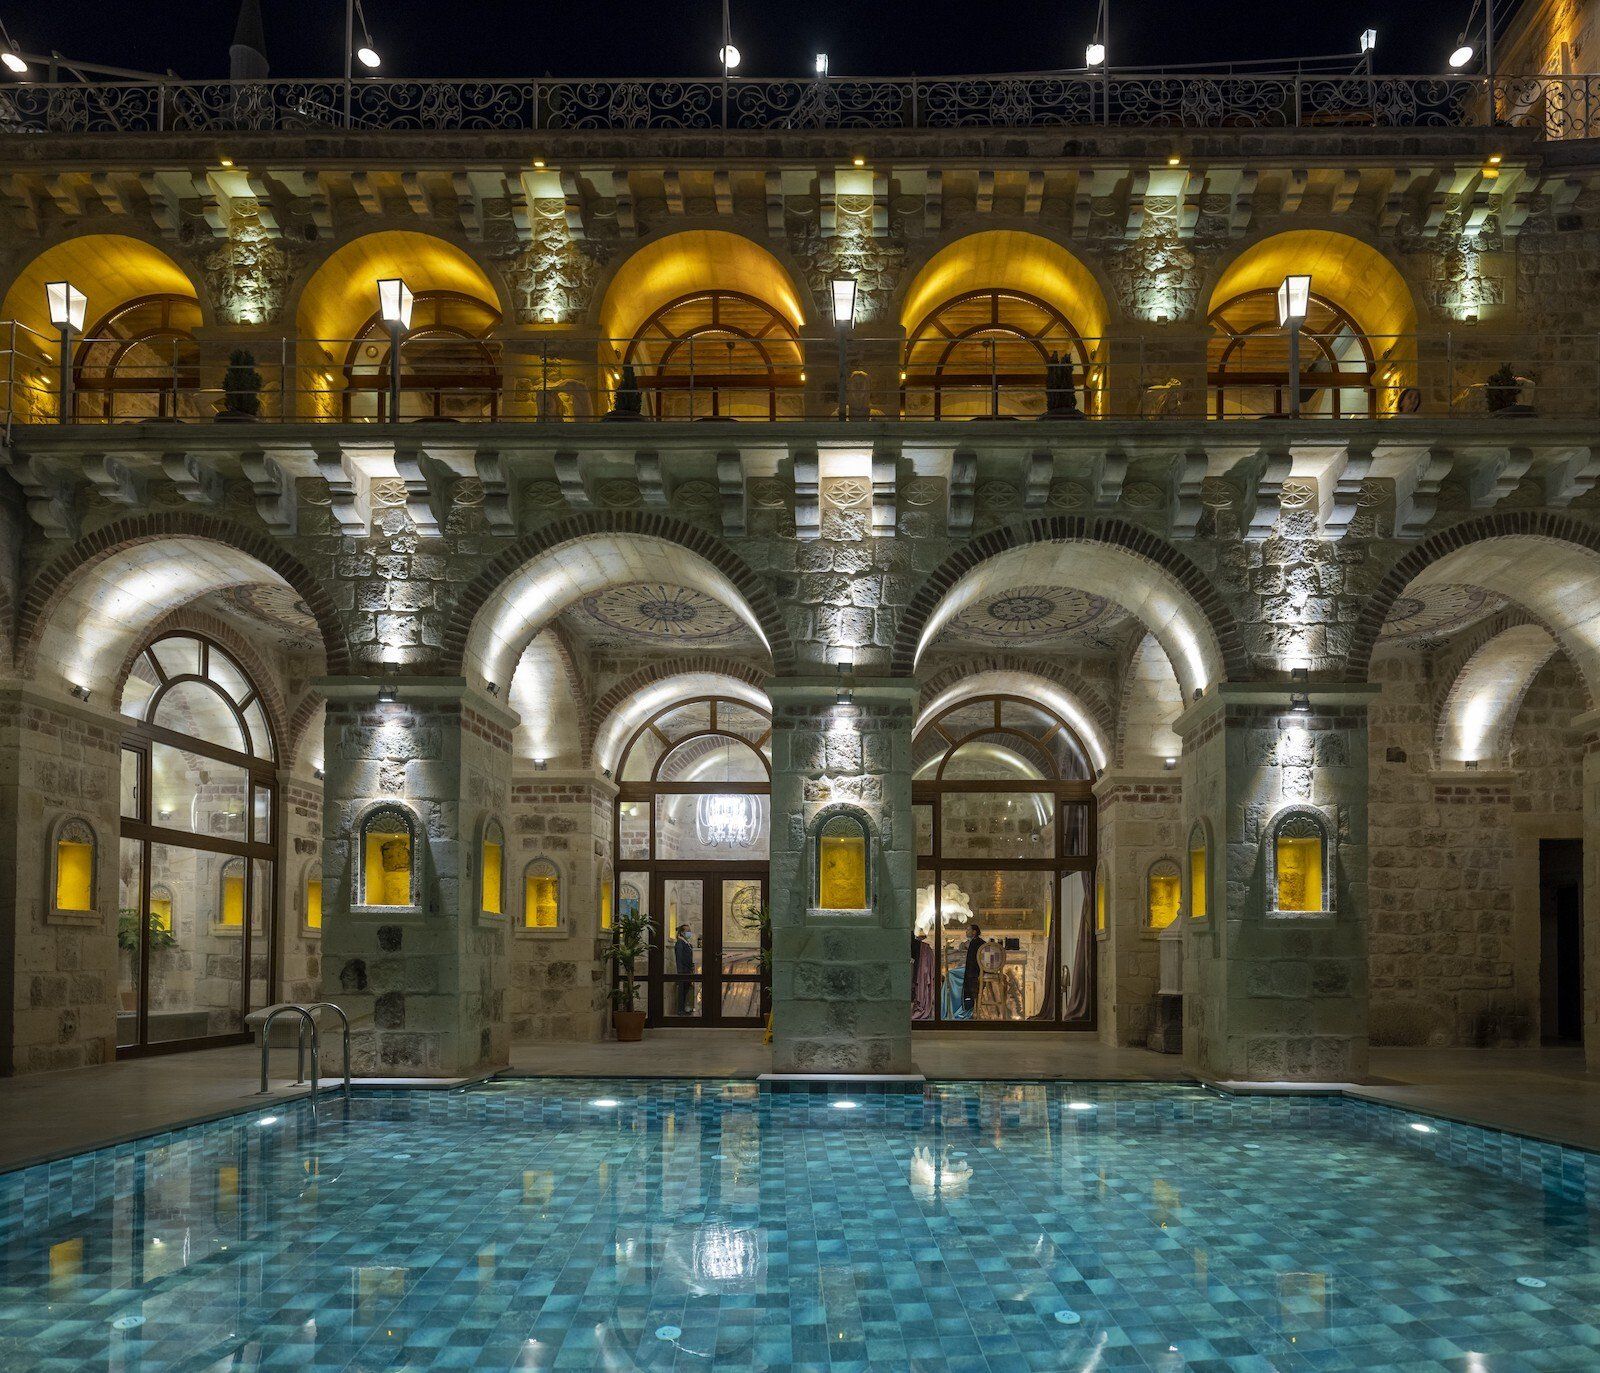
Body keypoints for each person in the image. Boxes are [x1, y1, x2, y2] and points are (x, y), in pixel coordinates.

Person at [960, 923, 983, 1017]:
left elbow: (971, 963)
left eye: (968, 930)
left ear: (974, 932)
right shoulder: (980, 943)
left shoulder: (973, 943)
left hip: (974, 974)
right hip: (980, 971)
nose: (966, 931)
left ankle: (957, 1008)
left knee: (951, 974)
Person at [673, 925, 696, 1014]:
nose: (689, 932)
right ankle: (680, 1010)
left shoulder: (687, 943)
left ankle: (684, 1009)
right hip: (683, 971)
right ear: (682, 933)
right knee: (682, 991)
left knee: (686, 990)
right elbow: (679, 958)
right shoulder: (680, 943)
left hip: (688, 970)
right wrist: (680, 972)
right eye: (688, 931)